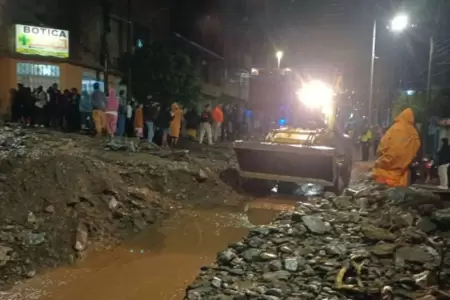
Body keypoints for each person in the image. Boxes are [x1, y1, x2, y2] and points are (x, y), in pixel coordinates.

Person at [372, 108, 420, 187]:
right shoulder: (413, 132)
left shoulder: (394, 129)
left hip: (385, 173)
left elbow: (382, 146)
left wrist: (380, 161)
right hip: (402, 175)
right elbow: (416, 149)